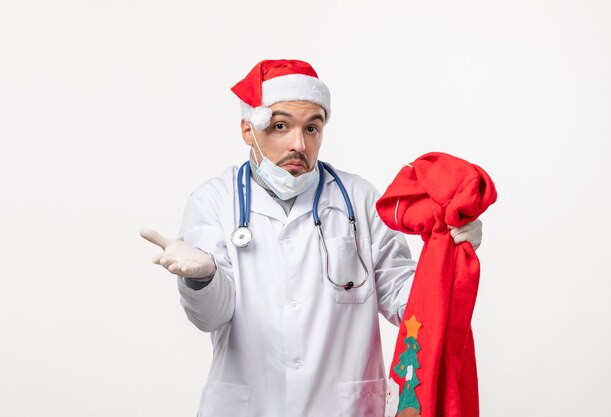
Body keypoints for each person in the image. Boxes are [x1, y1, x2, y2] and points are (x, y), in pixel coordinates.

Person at [140, 59, 483, 417]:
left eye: (312, 129)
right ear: (248, 130)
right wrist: (203, 277)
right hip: (249, 406)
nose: (298, 144)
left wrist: (448, 250)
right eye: (280, 126)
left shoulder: (359, 198)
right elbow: (211, 318)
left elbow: (405, 303)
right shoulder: (214, 200)